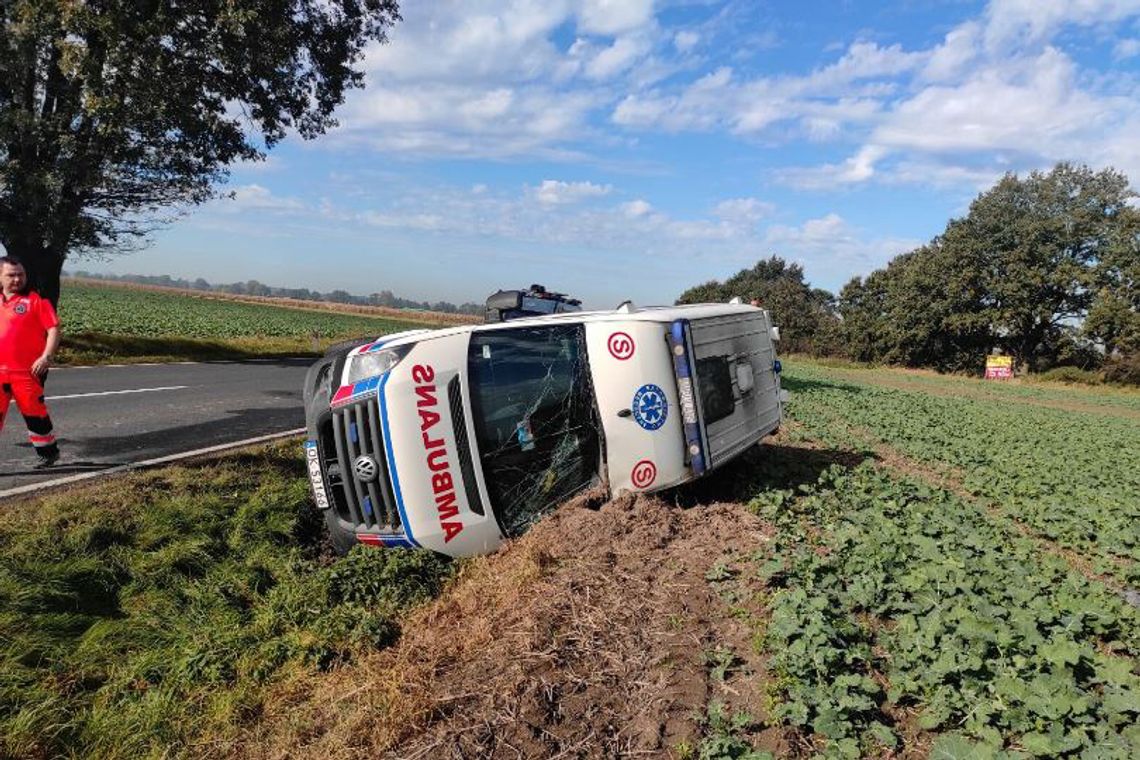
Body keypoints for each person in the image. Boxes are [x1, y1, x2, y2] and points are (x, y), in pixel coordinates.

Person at [0, 256, 61, 468]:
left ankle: (48, 453)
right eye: (11, 275)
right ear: (0, 277)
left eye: (21, 275)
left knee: (35, 415)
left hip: (27, 372)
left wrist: (46, 356)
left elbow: (53, 329)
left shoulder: (36, 300)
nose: (17, 279)